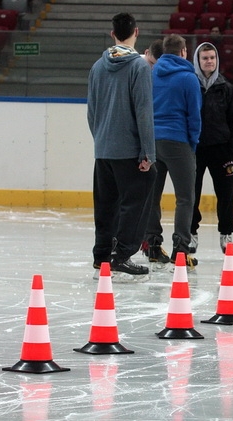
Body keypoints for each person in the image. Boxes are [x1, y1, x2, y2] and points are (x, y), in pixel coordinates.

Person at [87, 13, 156, 277]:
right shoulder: (138, 67)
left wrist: (101, 138)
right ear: (136, 32)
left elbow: (91, 111)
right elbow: (143, 112)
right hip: (128, 149)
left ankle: (101, 254)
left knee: (106, 203)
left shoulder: (97, 66)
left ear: (112, 34)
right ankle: (123, 253)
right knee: (137, 197)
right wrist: (147, 152)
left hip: (104, 148)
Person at [144, 33, 202, 268]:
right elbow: (194, 116)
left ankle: (153, 246)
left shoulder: (151, 74)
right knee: (185, 198)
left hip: (154, 141)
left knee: (152, 197)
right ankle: (181, 249)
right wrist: (193, 143)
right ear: (183, 51)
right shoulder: (189, 78)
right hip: (178, 141)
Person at [191, 42, 233, 253]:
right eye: (205, 58)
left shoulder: (226, 88)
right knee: (191, 194)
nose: (209, 61)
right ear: (198, 60)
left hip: (222, 151)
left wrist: (232, 148)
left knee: (226, 194)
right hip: (195, 150)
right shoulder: (190, 85)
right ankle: (191, 233)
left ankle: (226, 233)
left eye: (212, 57)